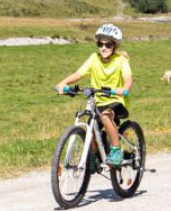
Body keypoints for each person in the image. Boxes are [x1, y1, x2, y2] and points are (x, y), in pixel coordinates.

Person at [54, 24, 134, 166]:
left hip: (117, 100)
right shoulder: (93, 58)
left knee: (105, 116)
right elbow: (79, 74)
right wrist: (63, 83)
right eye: (100, 44)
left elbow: (128, 78)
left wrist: (124, 88)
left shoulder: (121, 61)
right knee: (89, 124)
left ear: (114, 46)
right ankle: (93, 155)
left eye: (108, 45)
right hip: (98, 100)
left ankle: (116, 151)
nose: (103, 48)